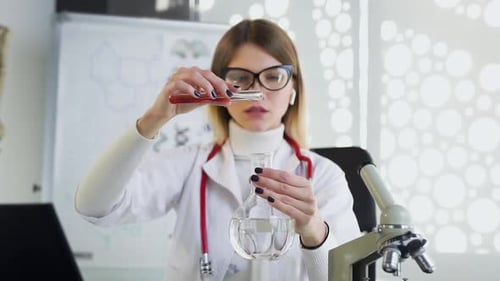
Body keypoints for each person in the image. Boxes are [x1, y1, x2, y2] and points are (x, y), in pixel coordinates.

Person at [75, 18, 361, 281]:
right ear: (221, 85)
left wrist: (313, 230)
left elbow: (346, 278)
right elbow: (94, 206)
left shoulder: (324, 176)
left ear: (293, 89)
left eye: (273, 77)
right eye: (240, 77)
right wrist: (155, 117)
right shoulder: (189, 164)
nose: (258, 90)